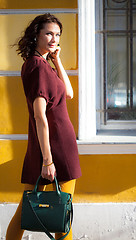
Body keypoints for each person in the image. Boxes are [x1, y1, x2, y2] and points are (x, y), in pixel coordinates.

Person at [6, 13, 82, 240]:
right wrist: (48, 160)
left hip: (49, 147)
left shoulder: (40, 64)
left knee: (27, 212)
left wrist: (57, 59)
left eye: (57, 34)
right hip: (55, 149)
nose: (54, 38)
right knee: (63, 216)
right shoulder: (38, 68)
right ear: (36, 35)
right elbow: (40, 116)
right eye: (48, 33)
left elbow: (68, 93)